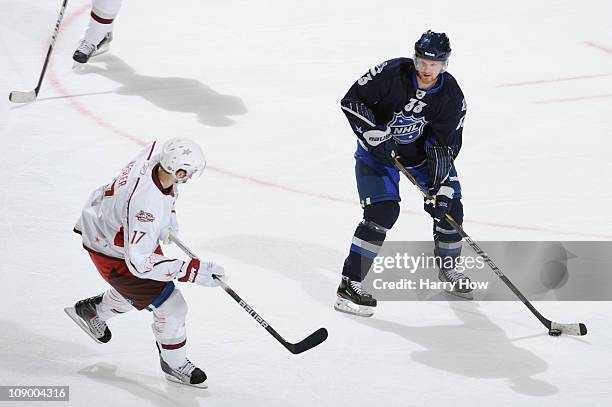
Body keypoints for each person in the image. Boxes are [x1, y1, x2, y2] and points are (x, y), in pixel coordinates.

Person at [65, 138, 226, 388]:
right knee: (172, 307)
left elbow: (162, 188)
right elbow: (140, 264)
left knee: (145, 292)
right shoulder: (145, 209)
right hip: (113, 251)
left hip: (111, 225)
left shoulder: (156, 154)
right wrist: (192, 271)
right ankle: (174, 364)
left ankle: (93, 311)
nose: (189, 177)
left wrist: (168, 217)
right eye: (187, 173)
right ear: (177, 169)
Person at [335, 30, 470, 317]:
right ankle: (350, 284)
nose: (426, 69)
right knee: (382, 213)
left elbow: (445, 145)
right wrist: (372, 133)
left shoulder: (451, 95)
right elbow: (352, 101)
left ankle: (449, 271)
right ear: (415, 57)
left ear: (445, 64)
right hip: (378, 156)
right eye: (422, 61)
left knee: (450, 210)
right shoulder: (392, 72)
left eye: (434, 64)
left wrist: (440, 186)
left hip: (423, 159)